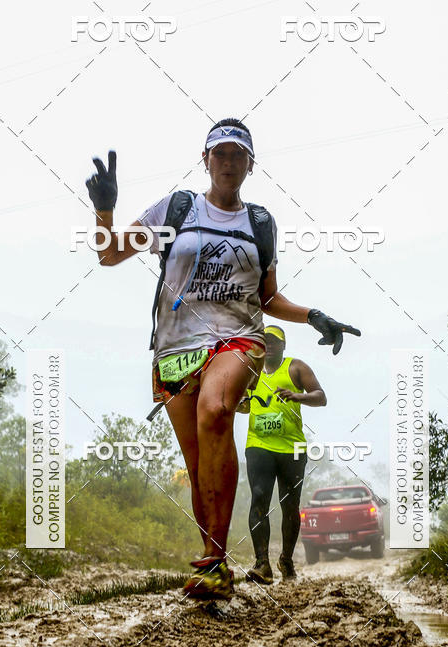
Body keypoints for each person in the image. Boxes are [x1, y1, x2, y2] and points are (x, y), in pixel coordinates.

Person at [85, 118, 360, 602]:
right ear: (205, 160)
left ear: (251, 165)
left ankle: (214, 560)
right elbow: (109, 255)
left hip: (239, 340)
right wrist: (105, 209)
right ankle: (214, 565)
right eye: (221, 154)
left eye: (238, 155)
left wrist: (314, 315)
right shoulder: (177, 208)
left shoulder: (260, 223)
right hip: (173, 351)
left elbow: (268, 299)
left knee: (216, 410)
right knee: (198, 465)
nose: (229, 162)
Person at [239, 325, 326, 584]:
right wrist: (240, 404)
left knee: (290, 506)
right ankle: (262, 564)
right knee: (259, 498)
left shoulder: (296, 367)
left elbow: (321, 397)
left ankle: (286, 559)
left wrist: (297, 396)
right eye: (266, 342)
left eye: (275, 342)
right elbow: (241, 404)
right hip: (258, 445)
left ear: (284, 345)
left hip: (292, 448)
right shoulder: (250, 371)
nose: (270, 346)